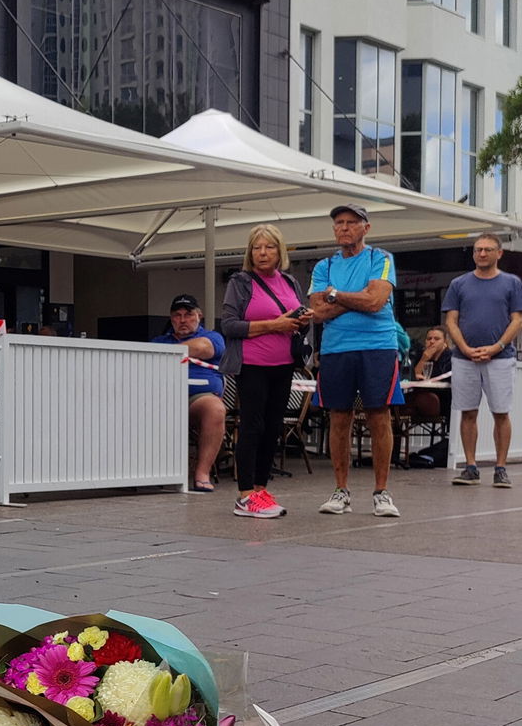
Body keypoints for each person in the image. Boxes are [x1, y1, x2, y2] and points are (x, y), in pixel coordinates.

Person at [308, 204, 403, 518]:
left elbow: (376, 302)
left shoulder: (381, 258)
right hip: (336, 348)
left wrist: (335, 295)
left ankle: (381, 492)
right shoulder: (323, 266)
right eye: (338, 223)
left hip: (377, 346)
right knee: (339, 418)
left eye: (351, 222)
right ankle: (340, 490)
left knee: (379, 416)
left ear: (366, 228)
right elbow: (317, 312)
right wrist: (354, 296)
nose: (344, 228)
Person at [219, 224, 307, 518]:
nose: (262, 253)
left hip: (284, 366)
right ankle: (245, 495)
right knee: (252, 427)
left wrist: (301, 321)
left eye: (269, 247)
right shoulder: (241, 282)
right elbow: (229, 325)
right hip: (253, 365)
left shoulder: (290, 282)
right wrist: (274, 325)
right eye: (257, 247)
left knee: (273, 428)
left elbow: (292, 317)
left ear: (279, 250)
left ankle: (260, 489)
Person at [442, 234, 522, 488]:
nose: (482, 254)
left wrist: (497, 346)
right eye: (478, 250)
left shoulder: (512, 283)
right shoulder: (459, 284)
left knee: (501, 413)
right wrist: (466, 349)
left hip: (500, 358)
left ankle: (500, 468)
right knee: (468, 412)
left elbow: (518, 320)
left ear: (499, 253)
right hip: (464, 359)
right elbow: (451, 322)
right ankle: (470, 467)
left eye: (487, 250)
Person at [152, 294, 228, 493]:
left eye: (188, 314)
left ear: (199, 316)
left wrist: (164, 352)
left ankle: (202, 473)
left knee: (215, 409)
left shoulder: (213, 336)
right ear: (171, 319)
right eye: (177, 315)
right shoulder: (158, 340)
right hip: (161, 399)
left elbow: (202, 348)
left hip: (196, 398)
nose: (183, 320)